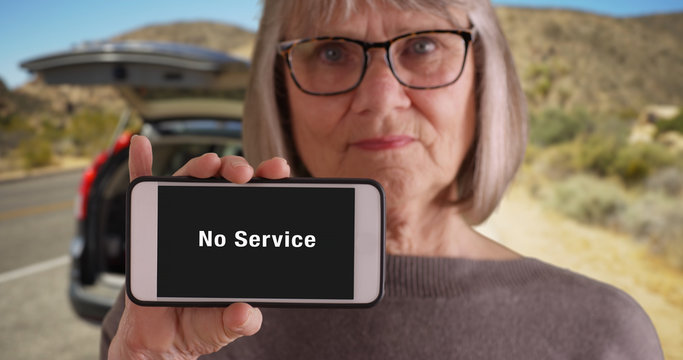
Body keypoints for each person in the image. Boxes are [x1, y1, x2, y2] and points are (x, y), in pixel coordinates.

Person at [101, 0, 664, 358]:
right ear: (279, 94)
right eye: (330, 52)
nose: (379, 99)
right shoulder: (179, 322)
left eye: (423, 46)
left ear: (484, 83)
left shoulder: (605, 335)